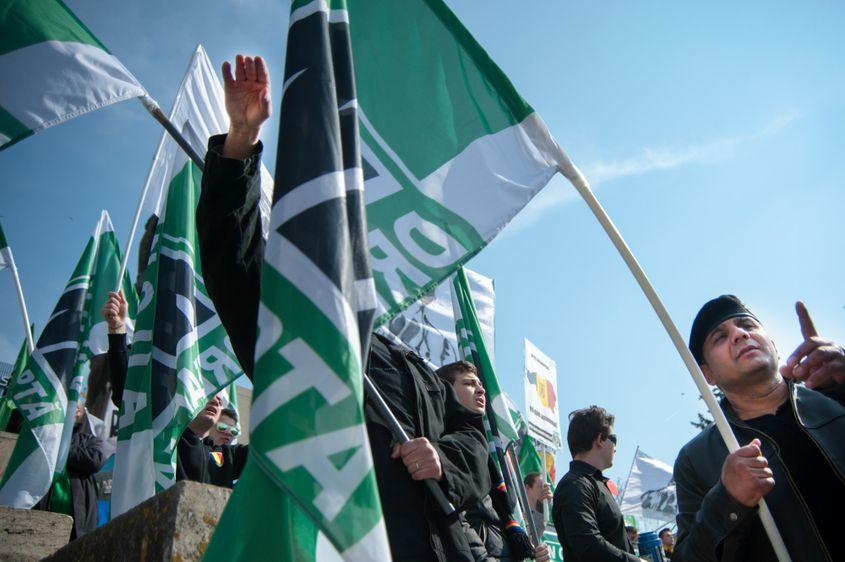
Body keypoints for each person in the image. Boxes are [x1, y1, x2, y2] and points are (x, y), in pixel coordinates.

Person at [194, 54, 490, 561]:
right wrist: (240, 143)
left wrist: (441, 458)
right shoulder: (312, 334)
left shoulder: (422, 370)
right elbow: (236, 270)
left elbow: (475, 442)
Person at [672, 295, 845, 562]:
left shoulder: (835, 395)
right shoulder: (695, 460)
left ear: (773, 345)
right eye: (720, 337)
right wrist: (728, 502)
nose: (740, 334)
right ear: (708, 375)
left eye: (747, 325)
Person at [102, 291, 248, 488]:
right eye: (207, 391)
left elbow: (274, 444)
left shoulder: (227, 455)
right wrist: (118, 329)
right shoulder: (161, 431)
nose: (216, 399)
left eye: (219, 393)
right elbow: (129, 393)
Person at [437, 361, 550, 562]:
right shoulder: (441, 442)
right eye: (469, 384)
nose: (481, 390)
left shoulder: (487, 454)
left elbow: (504, 519)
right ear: (446, 389)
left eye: (480, 384)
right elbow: (453, 515)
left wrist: (532, 555)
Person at [552, 406, 641, 562]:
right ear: (600, 439)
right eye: (614, 439)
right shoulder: (574, 484)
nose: (616, 448)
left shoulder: (590, 483)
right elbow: (589, 547)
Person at [524, 471, 553, 535]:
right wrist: (540, 507)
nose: (544, 490)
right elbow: (530, 536)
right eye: (540, 486)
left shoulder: (553, 516)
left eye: (546, 487)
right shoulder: (517, 514)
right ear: (528, 488)